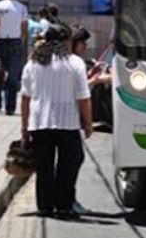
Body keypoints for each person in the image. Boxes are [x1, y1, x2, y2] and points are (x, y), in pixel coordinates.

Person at [20, 24, 93, 219]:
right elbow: (83, 97)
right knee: (70, 162)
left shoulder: (32, 63)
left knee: (44, 166)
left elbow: (25, 97)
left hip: (39, 122)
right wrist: (88, 123)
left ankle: (44, 206)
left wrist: (24, 126)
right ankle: (63, 205)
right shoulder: (75, 63)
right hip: (67, 122)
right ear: (66, 41)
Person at [0, 0, 28, 115]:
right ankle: (10, 107)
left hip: (0, 42)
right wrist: (21, 44)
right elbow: (24, 30)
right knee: (13, 76)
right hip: (16, 43)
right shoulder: (23, 8)